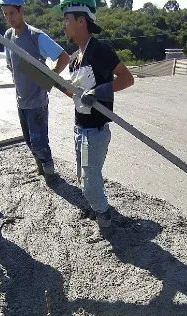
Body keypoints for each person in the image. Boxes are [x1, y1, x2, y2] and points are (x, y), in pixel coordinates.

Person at [61, 0, 134, 228]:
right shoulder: (75, 58)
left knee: (89, 182)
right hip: (79, 128)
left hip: (96, 131)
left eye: (67, 19)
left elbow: (127, 78)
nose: (64, 25)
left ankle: (105, 219)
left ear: (82, 20)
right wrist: (54, 83)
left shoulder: (100, 51)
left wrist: (100, 91)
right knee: (85, 177)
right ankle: (99, 207)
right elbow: (76, 95)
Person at [0, 0, 70, 180]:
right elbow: (10, 64)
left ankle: (51, 173)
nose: (9, 18)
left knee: (39, 141)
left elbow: (63, 57)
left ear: (21, 11)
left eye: (12, 13)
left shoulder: (35, 36)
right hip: (21, 100)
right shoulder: (8, 35)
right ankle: (41, 168)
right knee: (29, 141)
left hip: (37, 101)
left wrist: (48, 77)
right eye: (5, 14)